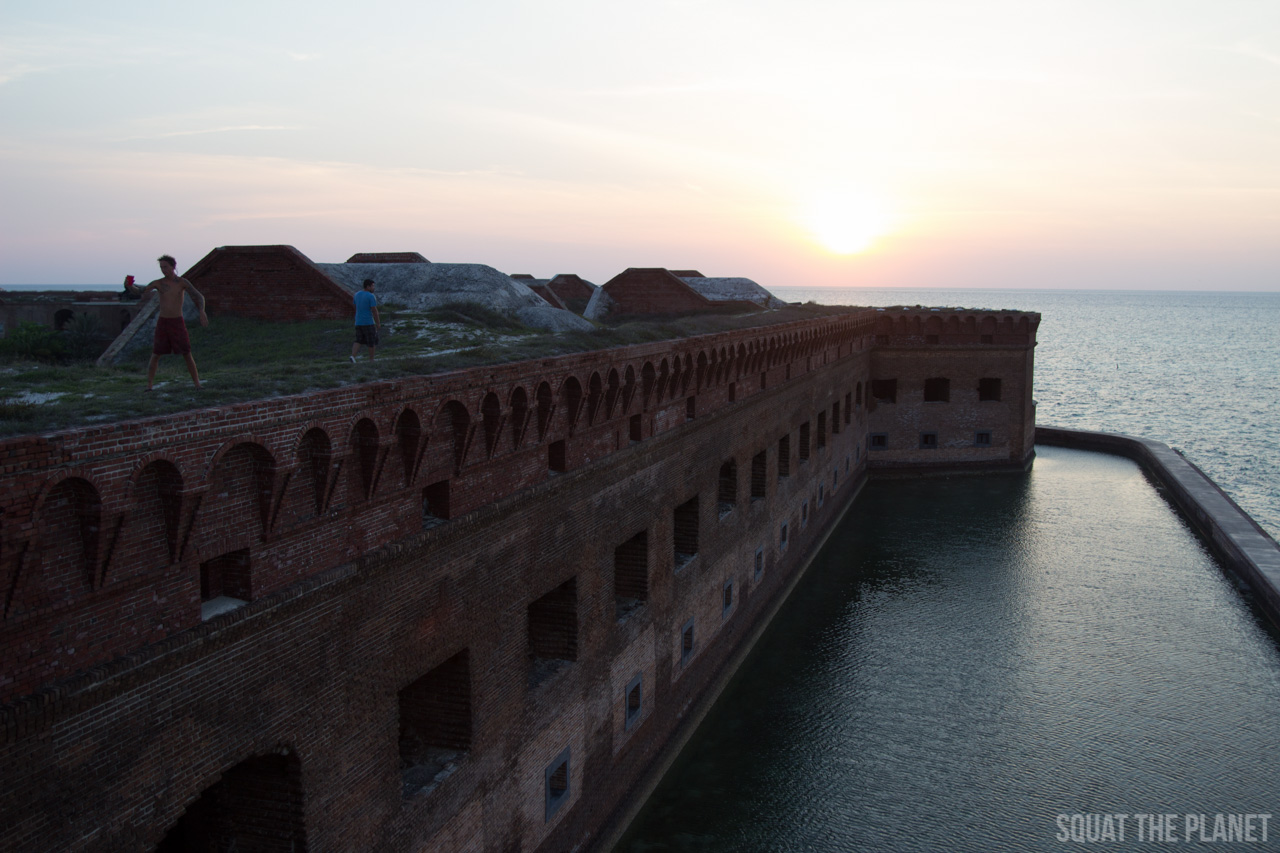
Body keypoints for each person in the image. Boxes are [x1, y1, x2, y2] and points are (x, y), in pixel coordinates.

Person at [126, 255, 208, 390]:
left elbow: (198, 296)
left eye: (165, 267)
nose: (163, 270)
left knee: (186, 353)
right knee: (156, 354)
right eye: (161, 268)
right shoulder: (158, 283)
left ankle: (197, 384)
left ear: (173, 267)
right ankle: (149, 385)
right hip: (163, 322)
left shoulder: (182, 282)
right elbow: (140, 291)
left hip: (177, 322)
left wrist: (202, 311)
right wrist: (129, 285)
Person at [351, 278, 380, 362]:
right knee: (371, 341)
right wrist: (378, 323)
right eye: (372, 286)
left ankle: (353, 356)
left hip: (358, 322)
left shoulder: (356, 294)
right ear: (368, 286)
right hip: (368, 322)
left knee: (358, 340)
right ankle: (371, 359)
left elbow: (355, 306)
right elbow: (374, 310)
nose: (374, 288)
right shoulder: (371, 296)